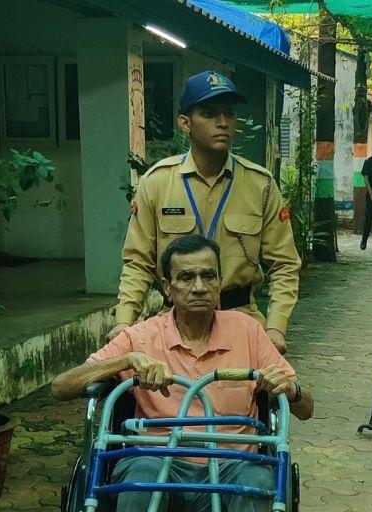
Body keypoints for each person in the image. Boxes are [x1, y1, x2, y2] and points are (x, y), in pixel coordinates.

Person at [51, 235, 314, 512]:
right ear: (167, 287)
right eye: (186, 277)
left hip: (232, 463)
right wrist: (125, 361)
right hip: (161, 463)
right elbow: (61, 386)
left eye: (208, 275)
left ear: (220, 281)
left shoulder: (248, 331)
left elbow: (306, 406)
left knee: (257, 480)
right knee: (138, 474)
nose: (198, 286)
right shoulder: (143, 335)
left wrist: (287, 387)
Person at [110, 71, 300, 356]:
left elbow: (284, 265)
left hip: (242, 324)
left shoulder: (260, 185)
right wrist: (124, 322)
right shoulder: (157, 183)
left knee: (271, 396)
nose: (222, 123)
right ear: (185, 123)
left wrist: (275, 328)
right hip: (174, 326)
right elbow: (138, 262)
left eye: (229, 114)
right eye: (209, 114)